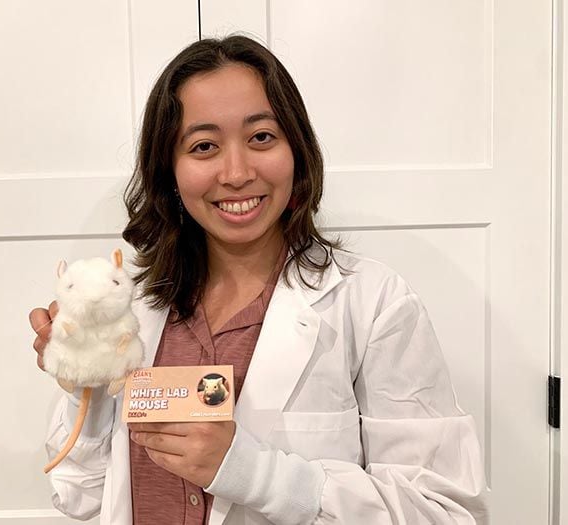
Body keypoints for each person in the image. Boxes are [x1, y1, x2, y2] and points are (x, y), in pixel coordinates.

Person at [29, 35, 489, 524]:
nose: (236, 172)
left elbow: (446, 512)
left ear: (296, 150)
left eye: (261, 137)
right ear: (170, 169)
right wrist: (86, 380)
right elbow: (81, 497)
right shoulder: (132, 308)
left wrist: (255, 472)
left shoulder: (373, 304)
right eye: (203, 146)